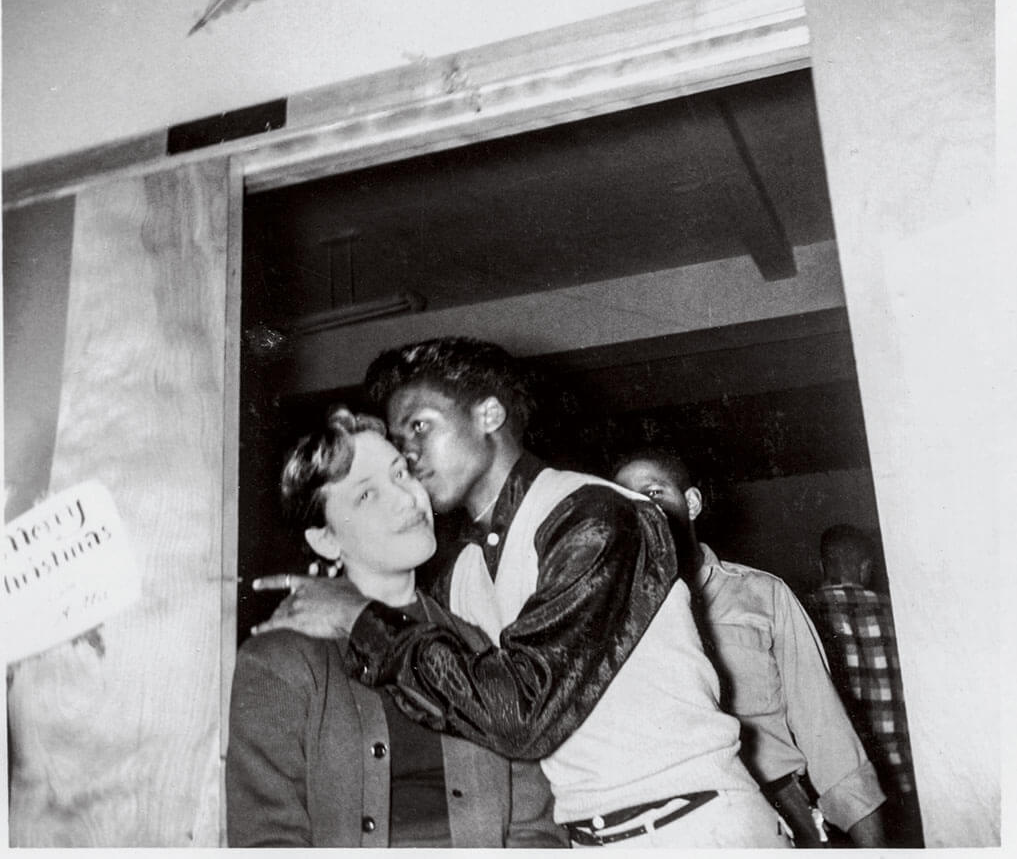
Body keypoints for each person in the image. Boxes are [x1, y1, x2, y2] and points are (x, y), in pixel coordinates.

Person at [254, 337, 789, 848]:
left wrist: (359, 617)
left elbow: (521, 714)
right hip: (585, 838)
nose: (409, 455)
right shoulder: (461, 568)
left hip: (694, 827)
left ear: (488, 416)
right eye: (399, 442)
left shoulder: (596, 515)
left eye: (420, 426)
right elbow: (450, 692)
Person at [226, 406, 566, 848]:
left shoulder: (478, 644)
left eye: (401, 473)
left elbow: (535, 830)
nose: (406, 498)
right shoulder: (278, 662)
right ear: (325, 538)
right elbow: (268, 841)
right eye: (367, 495)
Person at [612, 447, 887, 848]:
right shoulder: (609, 613)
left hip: (779, 811)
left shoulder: (762, 595)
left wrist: (874, 847)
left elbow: (824, 727)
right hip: (669, 824)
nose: (639, 509)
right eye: (624, 499)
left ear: (690, 503)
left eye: (653, 494)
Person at [810, 524, 923, 848]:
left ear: (822, 566)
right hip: (904, 775)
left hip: (845, 785)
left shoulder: (804, 611)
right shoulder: (900, 612)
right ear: (867, 567)